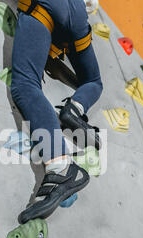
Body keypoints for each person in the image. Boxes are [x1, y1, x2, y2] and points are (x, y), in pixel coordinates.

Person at [11, 0, 103, 224]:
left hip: (45, 7)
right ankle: (76, 108)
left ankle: (61, 168)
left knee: (26, 84)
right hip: (77, 13)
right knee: (94, 81)